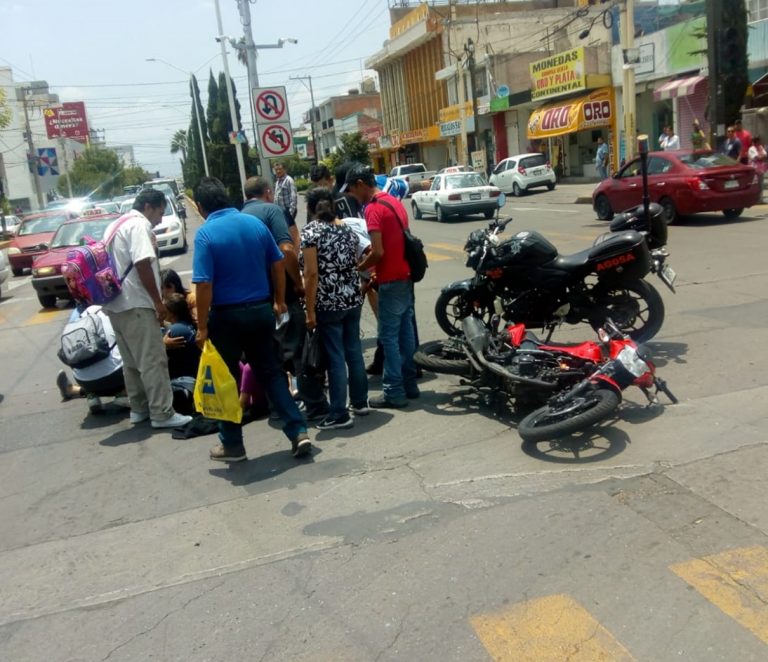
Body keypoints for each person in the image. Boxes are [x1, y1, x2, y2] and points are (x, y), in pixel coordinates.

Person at [191, 176, 310, 462]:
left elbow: (204, 285)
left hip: (226, 317)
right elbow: (279, 261)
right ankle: (298, 431)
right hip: (260, 312)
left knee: (227, 380)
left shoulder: (206, 234)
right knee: (271, 373)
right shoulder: (254, 224)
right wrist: (279, 300)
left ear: (199, 206)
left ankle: (232, 445)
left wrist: (203, 326)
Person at [103, 189, 192, 429]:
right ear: (149, 207)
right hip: (137, 303)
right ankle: (162, 413)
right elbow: (143, 263)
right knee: (152, 360)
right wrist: (158, 302)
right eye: (160, 212)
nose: (161, 219)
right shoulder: (138, 226)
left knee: (131, 362)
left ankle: (139, 409)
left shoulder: (114, 226)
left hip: (115, 304)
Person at [241, 176, 327, 421]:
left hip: (253, 302)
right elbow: (287, 250)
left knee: (268, 359)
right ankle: (314, 406)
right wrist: (298, 284)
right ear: (268, 192)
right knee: (299, 353)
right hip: (283, 297)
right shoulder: (272, 211)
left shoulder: (238, 217)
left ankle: (278, 408)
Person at [345, 163, 419, 409]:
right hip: (405, 275)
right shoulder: (394, 201)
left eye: (353, 192)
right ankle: (410, 385)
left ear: (360, 185)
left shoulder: (373, 209)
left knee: (388, 337)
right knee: (405, 335)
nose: (353, 197)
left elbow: (377, 252)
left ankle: (393, 392)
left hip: (390, 279)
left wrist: (359, 267)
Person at [302, 187, 369, 430]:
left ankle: (339, 412)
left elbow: (310, 274)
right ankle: (360, 402)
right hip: (352, 298)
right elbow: (357, 260)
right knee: (353, 350)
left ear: (310, 209)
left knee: (335, 358)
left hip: (328, 302)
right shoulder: (347, 229)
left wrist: (309, 311)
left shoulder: (310, 232)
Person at [55, 306, 129, 415]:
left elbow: (66, 354)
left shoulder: (75, 317)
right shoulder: (111, 309)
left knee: (80, 354)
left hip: (85, 382)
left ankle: (90, 396)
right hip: (117, 377)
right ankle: (124, 393)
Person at [163, 293, 201, 379]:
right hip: (194, 375)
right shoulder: (189, 325)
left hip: (180, 379)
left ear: (171, 312)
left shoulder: (173, 331)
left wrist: (163, 344)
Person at [273, 161, 298, 229]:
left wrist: (290, 212)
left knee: (290, 229)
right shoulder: (278, 181)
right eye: (276, 170)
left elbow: (293, 197)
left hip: (288, 210)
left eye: (280, 169)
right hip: (281, 211)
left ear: (285, 169)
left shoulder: (289, 180)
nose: (278, 171)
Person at [748, 135, 767, 202]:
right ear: (755, 142)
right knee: (755, 185)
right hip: (754, 169)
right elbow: (757, 157)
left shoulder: (761, 147)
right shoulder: (752, 149)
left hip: (761, 169)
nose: (759, 143)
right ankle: (755, 199)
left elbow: (765, 156)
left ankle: (760, 199)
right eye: (758, 141)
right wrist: (762, 156)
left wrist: (762, 156)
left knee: (761, 184)